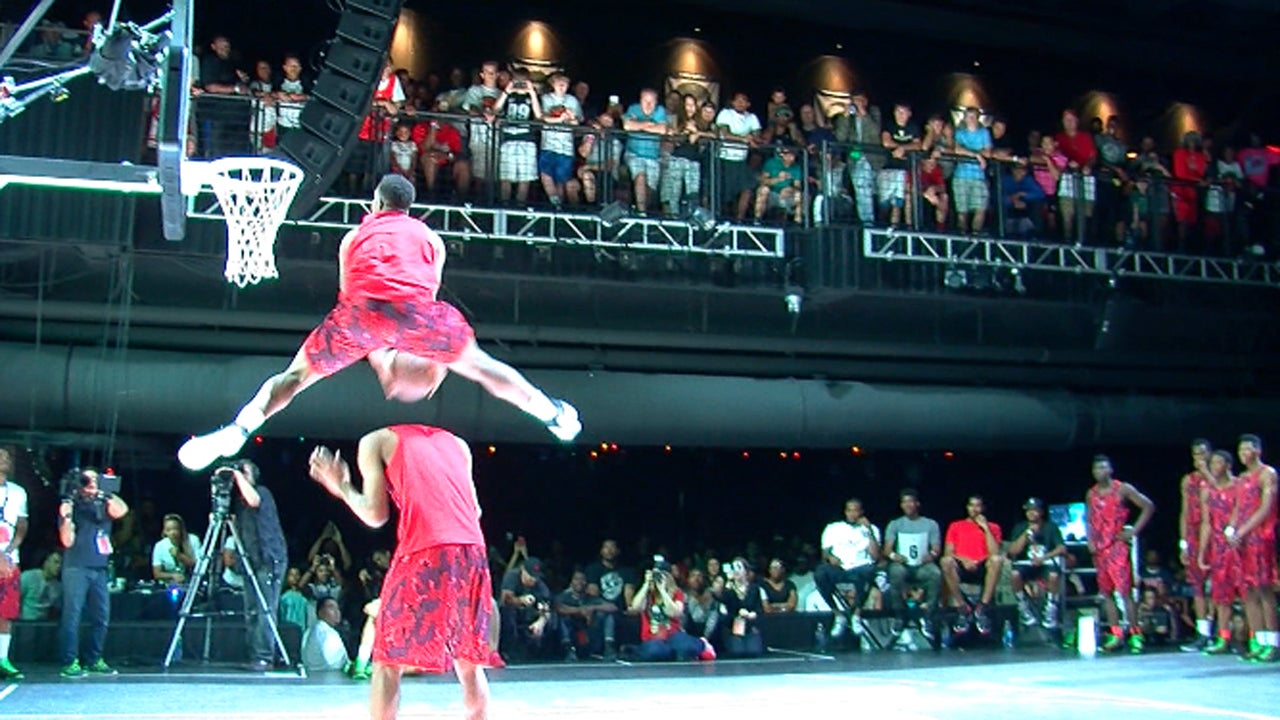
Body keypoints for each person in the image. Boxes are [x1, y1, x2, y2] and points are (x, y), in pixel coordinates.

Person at [179, 174, 581, 472]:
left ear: (375, 203)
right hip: (417, 314)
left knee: (294, 378)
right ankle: (553, 416)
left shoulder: (352, 237)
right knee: (483, 370)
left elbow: (347, 289)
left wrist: (374, 348)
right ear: (410, 207)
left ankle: (240, 428)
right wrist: (409, 351)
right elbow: (430, 289)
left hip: (359, 314)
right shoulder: (431, 239)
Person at [308, 425, 501, 720]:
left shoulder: (374, 440)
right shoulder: (458, 444)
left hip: (425, 548)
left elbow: (375, 515)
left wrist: (342, 487)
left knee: (387, 659)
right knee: (468, 661)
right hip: (472, 552)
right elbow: (474, 511)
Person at [57, 468, 129, 678]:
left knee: (101, 617)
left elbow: (121, 511)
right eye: (87, 480)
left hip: (99, 567)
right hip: (76, 566)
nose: (91, 483)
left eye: (95, 479)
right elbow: (66, 541)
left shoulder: (103, 503)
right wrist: (67, 515)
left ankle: (94, 659)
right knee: (72, 616)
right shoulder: (73, 505)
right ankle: (69, 661)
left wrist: (104, 493)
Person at [1085, 454, 1155, 653]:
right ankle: (1116, 634)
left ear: (1110, 470)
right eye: (1096, 469)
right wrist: (1090, 540)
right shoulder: (1091, 493)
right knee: (1106, 594)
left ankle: (1135, 633)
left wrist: (1133, 531)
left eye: (1103, 468)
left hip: (1117, 547)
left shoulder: (1122, 488)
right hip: (1100, 550)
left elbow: (1148, 506)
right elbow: (1090, 518)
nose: (1100, 472)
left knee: (1125, 593)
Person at [225, 459, 289, 671]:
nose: (239, 475)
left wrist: (237, 475)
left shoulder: (261, 492)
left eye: (244, 472)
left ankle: (264, 657)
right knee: (251, 610)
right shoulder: (239, 503)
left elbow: (254, 500)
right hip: (250, 562)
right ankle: (255, 655)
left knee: (264, 610)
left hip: (269, 559)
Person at [1231, 434, 1278, 663]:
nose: (1243, 454)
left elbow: (1266, 508)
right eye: (1240, 450)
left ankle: (1273, 643)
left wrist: (1243, 530)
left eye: (1247, 449)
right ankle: (1258, 641)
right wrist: (1231, 529)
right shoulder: (1241, 478)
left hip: (1261, 538)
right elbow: (1238, 508)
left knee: (1264, 590)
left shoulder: (1267, 474)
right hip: (1243, 542)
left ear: (1258, 451)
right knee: (1247, 591)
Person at [1006, 497, 1066, 630]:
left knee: (1054, 576)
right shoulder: (1020, 527)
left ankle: (1050, 610)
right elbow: (1013, 551)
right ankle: (1023, 608)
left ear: (1041, 512)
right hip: (1026, 563)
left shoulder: (1051, 527)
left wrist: (1044, 557)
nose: (1031, 513)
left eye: (1035, 510)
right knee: (1015, 574)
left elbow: (1061, 548)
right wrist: (1025, 535)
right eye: (1028, 510)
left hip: (1045, 563)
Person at [1178, 439, 1214, 652]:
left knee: (1218, 588)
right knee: (1197, 586)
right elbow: (1184, 512)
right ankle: (1203, 633)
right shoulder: (1188, 480)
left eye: (1202, 453)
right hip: (1193, 536)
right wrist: (1183, 543)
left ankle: (1221, 632)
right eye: (1195, 454)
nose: (1198, 458)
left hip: (1215, 536)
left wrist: (1207, 473)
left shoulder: (1219, 479)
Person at [0, 447, 30, 679]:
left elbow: (22, 526)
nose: (5, 461)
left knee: (5, 613)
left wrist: (10, 550)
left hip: (10, 560)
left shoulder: (18, 492)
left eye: (7, 457)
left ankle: (2, 659)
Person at [301, 596, 350, 672]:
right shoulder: (325, 632)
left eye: (338, 608)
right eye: (331, 608)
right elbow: (333, 662)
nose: (336, 612)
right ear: (319, 612)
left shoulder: (313, 629)